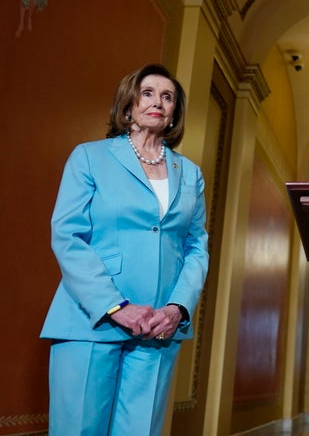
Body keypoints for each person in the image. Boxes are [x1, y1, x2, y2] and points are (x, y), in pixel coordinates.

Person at [40, 64, 209, 435]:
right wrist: (115, 306)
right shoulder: (89, 157)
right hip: (91, 320)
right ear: (129, 105)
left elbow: (196, 245)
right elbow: (67, 235)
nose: (158, 102)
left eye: (168, 97)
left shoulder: (190, 173)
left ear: (174, 114)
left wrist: (177, 307)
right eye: (148, 93)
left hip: (157, 326)